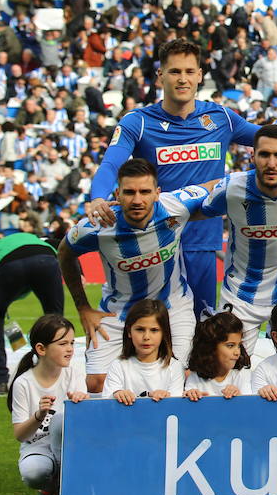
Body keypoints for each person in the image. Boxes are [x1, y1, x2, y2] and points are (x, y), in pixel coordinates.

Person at [86, 39, 260, 318]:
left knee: (201, 330)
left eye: (190, 71)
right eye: (175, 71)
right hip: (154, 244)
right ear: (160, 76)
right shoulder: (138, 122)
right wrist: (97, 197)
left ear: (200, 75)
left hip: (201, 242)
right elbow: (111, 163)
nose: (183, 79)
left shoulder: (221, 118)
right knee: (151, 332)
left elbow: (272, 140)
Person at [59, 158, 211, 393]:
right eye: (129, 192)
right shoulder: (97, 226)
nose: (138, 200)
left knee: (183, 376)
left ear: (157, 193)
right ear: (118, 194)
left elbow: (219, 185)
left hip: (174, 306)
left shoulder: (176, 206)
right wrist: (83, 308)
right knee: (96, 382)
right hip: (118, 311)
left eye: (145, 191)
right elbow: (65, 252)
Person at [201, 124, 277, 335]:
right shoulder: (231, 189)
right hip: (240, 298)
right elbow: (192, 209)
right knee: (227, 366)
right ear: (253, 157)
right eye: (264, 155)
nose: (272, 163)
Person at [0, 232, 66, 396]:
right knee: (56, 319)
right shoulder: (30, 239)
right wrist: (79, 272)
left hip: (7, 267)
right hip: (46, 259)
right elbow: (62, 243)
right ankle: (59, 374)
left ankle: (0, 381)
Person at [8, 314, 86, 495]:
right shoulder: (23, 383)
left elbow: (81, 424)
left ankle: (60, 488)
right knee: (33, 473)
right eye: (62, 344)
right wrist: (38, 415)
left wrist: (81, 401)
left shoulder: (74, 374)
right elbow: (20, 435)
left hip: (69, 447)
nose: (70, 349)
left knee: (61, 420)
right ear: (41, 349)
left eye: (72, 343)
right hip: (38, 445)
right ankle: (52, 485)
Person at [104, 299, 185, 405]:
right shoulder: (118, 365)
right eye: (140, 329)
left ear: (164, 333)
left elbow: (176, 406)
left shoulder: (174, 367)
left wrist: (165, 398)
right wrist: (118, 394)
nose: (146, 337)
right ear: (129, 331)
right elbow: (106, 404)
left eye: (154, 330)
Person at [183, 311, 252, 399]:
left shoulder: (243, 374)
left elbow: (248, 408)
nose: (237, 352)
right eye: (230, 346)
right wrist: (191, 396)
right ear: (211, 347)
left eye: (239, 345)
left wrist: (239, 397)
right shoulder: (195, 377)